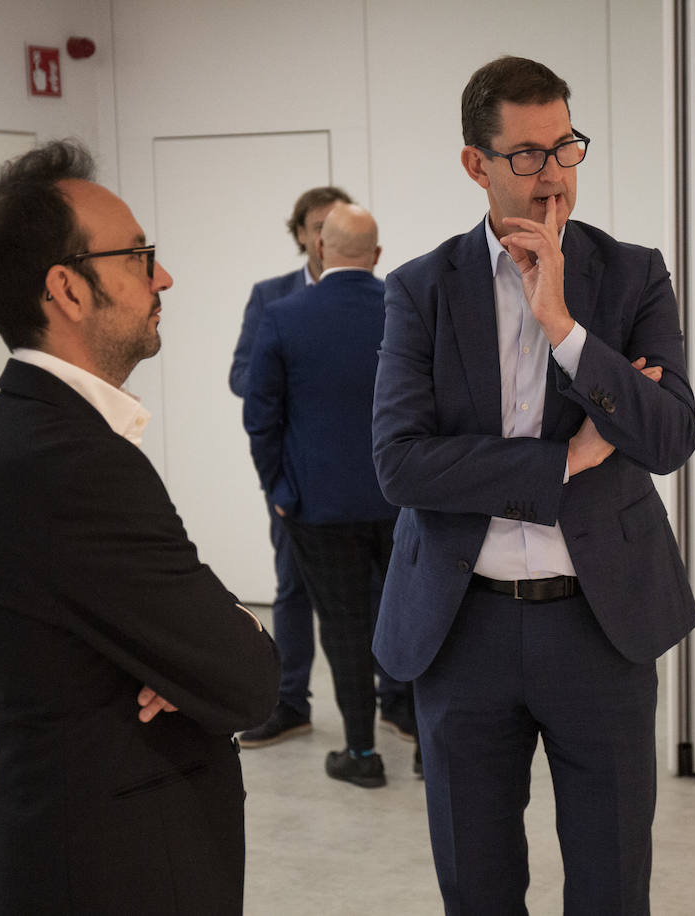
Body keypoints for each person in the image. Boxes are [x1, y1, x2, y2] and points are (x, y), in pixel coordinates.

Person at [371, 56, 695, 913]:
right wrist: (564, 462)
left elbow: (667, 435)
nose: (552, 172)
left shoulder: (630, 277)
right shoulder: (419, 290)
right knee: (476, 888)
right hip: (462, 624)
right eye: (525, 154)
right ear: (476, 165)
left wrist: (563, 327)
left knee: (611, 884)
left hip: (600, 625)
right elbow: (401, 461)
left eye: (565, 146)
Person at [0, 139, 280, 914]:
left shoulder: (30, 431)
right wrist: (204, 651)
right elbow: (248, 679)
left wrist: (188, 650)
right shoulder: (71, 461)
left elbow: (205, 652)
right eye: (139, 256)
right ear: (66, 288)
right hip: (114, 867)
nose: (163, 276)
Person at [244, 203, 408, 787]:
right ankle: (423, 745)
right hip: (403, 501)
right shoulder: (406, 308)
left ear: (320, 251)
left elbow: (261, 415)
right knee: (412, 616)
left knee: (342, 628)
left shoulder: (285, 316)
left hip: (318, 507)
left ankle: (361, 756)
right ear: (377, 256)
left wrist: (280, 490)